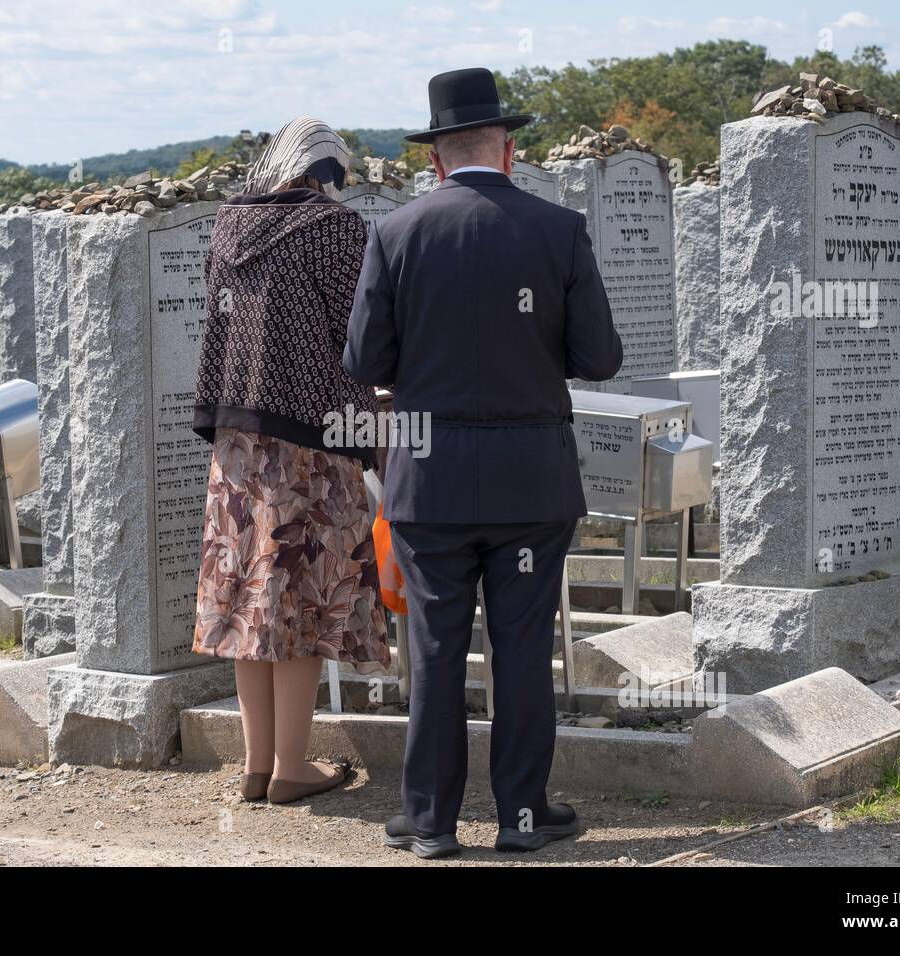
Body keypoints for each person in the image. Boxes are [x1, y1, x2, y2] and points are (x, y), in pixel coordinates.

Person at [345, 68, 622, 857]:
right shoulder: (557, 229)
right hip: (530, 478)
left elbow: (365, 357)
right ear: (508, 150)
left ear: (436, 158)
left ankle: (430, 822)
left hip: (430, 477)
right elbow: (599, 358)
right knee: (524, 648)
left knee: (433, 646)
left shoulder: (395, 234)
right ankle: (522, 817)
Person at [192, 117, 390, 806]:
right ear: (322, 173)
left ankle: (255, 765)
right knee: (300, 604)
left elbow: (218, 333)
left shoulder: (228, 227)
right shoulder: (335, 230)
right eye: (334, 178)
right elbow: (363, 333)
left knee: (251, 605)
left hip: (237, 446)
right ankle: (292, 768)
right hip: (311, 440)